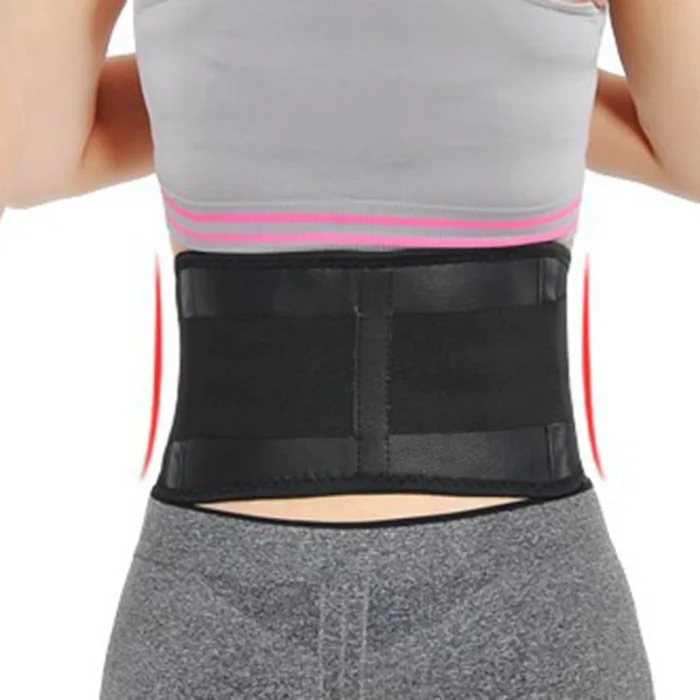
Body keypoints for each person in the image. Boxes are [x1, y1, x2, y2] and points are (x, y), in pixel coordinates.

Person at [1, 0, 697, 697]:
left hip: (214, 594)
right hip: (528, 601)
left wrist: (232, 78)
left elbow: (25, 155)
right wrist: (511, 75)